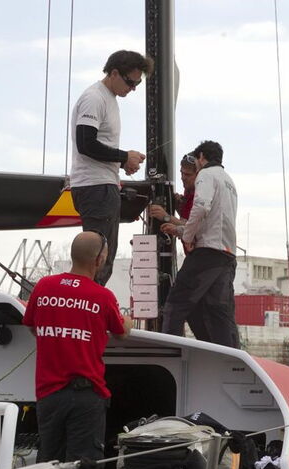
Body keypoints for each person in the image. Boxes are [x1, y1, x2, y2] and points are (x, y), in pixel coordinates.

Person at [23, 230, 133, 469]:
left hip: (48, 394)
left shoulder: (44, 287)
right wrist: (129, 319)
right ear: (100, 259)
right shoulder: (101, 296)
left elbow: (33, 326)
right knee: (83, 465)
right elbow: (121, 331)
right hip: (86, 395)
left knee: (48, 461)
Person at [70, 50, 153, 286]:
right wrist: (123, 156)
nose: (133, 88)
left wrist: (122, 160)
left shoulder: (108, 99)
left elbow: (93, 144)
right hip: (95, 186)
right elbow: (85, 142)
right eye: (130, 81)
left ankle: (89, 311)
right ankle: (88, 314)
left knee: (102, 258)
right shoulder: (95, 98)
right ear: (114, 73)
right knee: (98, 259)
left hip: (99, 184)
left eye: (137, 83)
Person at [160, 141, 240, 348]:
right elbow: (213, 220)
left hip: (207, 253)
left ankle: (170, 355)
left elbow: (202, 207)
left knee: (175, 306)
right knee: (219, 313)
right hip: (227, 254)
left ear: (201, 156)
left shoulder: (206, 174)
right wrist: (179, 229)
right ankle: (231, 359)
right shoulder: (229, 182)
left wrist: (185, 236)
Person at [147, 153, 212, 341]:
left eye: (187, 175)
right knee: (196, 310)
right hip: (198, 256)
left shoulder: (200, 196)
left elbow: (192, 224)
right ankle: (205, 344)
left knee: (177, 304)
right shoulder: (188, 196)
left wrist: (166, 216)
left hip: (200, 255)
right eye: (181, 174)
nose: (183, 178)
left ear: (198, 175)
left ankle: (171, 343)